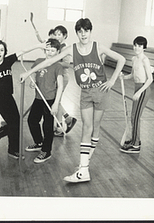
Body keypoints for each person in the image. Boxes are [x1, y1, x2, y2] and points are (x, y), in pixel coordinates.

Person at [20, 18, 126, 183]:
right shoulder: (71, 49)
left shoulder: (98, 47)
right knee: (87, 128)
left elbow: (122, 59)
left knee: (95, 128)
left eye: (86, 31)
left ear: (90, 32)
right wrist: (28, 73)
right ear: (77, 33)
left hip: (100, 91)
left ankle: (85, 163)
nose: (83, 34)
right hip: (85, 92)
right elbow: (49, 61)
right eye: (80, 31)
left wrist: (111, 81)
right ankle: (84, 170)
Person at [0, 40, 46, 159]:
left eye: (2, 50)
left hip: (8, 97)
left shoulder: (7, 61)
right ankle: (12, 148)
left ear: (5, 52)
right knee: (14, 122)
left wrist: (38, 45)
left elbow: (23, 51)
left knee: (16, 122)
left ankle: (5, 142)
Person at [25, 38, 64, 163]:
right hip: (38, 98)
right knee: (32, 120)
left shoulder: (58, 66)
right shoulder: (38, 61)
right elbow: (32, 74)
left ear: (57, 52)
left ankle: (46, 151)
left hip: (50, 100)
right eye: (48, 50)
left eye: (53, 51)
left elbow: (60, 86)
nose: (50, 53)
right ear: (44, 50)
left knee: (47, 126)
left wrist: (56, 104)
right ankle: (39, 142)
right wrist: (33, 81)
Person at [119, 36, 153, 154]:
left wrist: (139, 92)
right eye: (135, 45)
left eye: (139, 46)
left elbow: (150, 79)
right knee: (133, 116)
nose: (136, 48)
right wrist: (124, 77)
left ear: (144, 47)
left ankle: (136, 145)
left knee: (136, 117)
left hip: (143, 89)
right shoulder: (134, 59)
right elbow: (133, 75)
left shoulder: (145, 60)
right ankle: (134, 140)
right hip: (137, 88)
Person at [53, 25, 77, 136]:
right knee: (56, 101)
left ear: (65, 36)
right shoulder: (57, 46)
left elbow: (67, 64)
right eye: (56, 34)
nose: (57, 36)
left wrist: (53, 62)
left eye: (59, 34)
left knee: (56, 101)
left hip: (63, 77)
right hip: (57, 76)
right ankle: (67, 121)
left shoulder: (66, 48)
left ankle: (60, 127)